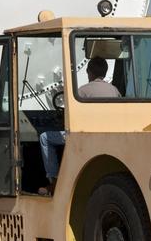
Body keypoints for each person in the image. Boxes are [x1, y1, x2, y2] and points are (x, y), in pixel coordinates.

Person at [39, 57, 120, 194]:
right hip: (108, 136)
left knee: (45, 137)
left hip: (85, 136)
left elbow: (72, 117)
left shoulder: (81, 92)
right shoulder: (115, 91)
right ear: (105, 73)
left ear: (89, 72)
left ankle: (54, 181)